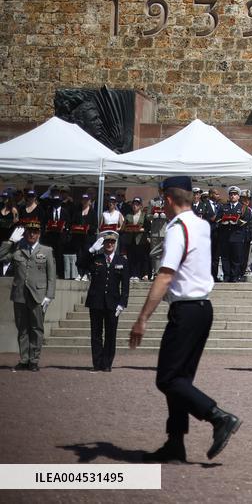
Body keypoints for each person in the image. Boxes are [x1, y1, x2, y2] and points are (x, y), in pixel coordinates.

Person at [129, 175, 241, 464]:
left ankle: (218, 417)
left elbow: (166, 274)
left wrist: (142, 318)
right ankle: (175, 443)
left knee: (167, 378)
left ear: (167, 198)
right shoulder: (202, 224)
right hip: (203, 309)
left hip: (187, 310)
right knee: (181, 379)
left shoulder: (177, 228)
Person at [1, 220, 56, 371]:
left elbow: (51, 276)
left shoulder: (46, 251)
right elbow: (1, 257)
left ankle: (34, 360)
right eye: (29, 231)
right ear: (25, 233)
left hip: (38, 295)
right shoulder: (18, 250)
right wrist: (10, 242)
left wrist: (49, 296)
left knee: (36, 328)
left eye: (35, 232)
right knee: (22, 329)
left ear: (39, 234)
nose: (32, 234)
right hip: (20, 295)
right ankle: (24, 359)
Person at [85, 230, 129, 371]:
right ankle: (97, 363)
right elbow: (80, 263)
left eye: (112, 242)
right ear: (103, 244)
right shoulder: (96, 259)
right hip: (96, 302)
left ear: (115, 244)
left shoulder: (121, 261)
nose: (109, 244)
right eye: (107, 242)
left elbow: (126, 285)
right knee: (96, 334)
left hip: (112, 303)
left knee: (111, 334)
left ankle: (107, 363)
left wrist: (123, 303)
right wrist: (91, 250)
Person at [218, 186, 251, 282]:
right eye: (231, 194)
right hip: (225, 236)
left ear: (238, 196)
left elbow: (246, 220)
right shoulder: (224, 207)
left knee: (236, 257)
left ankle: (235, 276)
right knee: (225, 257)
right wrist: (224, 221)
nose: (232, 196)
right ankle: (227, 276)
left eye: (235, 194)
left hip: (237, 235)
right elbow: (218, 218)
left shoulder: (243, 208)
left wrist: (235, 222)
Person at [121, 197, 149, 281]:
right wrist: (128, 229)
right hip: (130, 239)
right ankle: (132, 274)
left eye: (137, 204)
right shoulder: (128, 215)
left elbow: (147, 228)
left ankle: (138, 274)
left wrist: (140, 229)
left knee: (139, 257)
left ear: (140, 206)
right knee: (131, 257)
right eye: (134, 204)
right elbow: (123, 228)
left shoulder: (144, 215)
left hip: (140, 240)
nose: (135, 206)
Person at [146, 197, 169, 276]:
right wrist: (153, 216)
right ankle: (156, 272)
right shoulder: (152, 202)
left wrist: (166, 216)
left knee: (166, 252)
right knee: (155, 253)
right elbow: (147, 216)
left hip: (165, 231)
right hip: (155, 232)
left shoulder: (169, 201)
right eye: (160, 190)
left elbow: (174, 215)